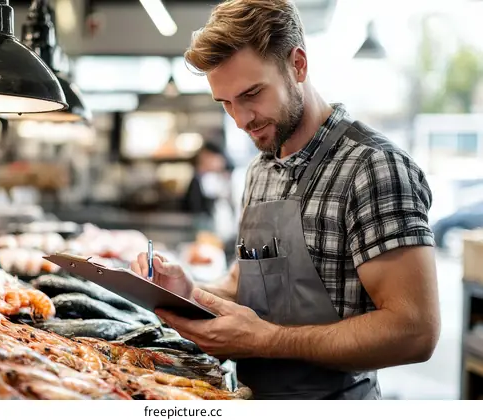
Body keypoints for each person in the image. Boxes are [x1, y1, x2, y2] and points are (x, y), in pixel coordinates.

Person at [131, 0, 440, 400]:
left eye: (252, 94)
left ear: (298, 65)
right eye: (225, 103)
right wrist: (188, 293)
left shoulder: (373, 167)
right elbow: (244, 285)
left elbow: (415, 331)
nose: (240, 120)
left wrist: (267, 341)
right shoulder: (261, 169)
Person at [182, 142, 234, 215]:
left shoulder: (219, 178)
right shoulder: (197, 180)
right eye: (215, 158)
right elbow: (196, 209)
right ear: (204, 156)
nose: (220, 163)